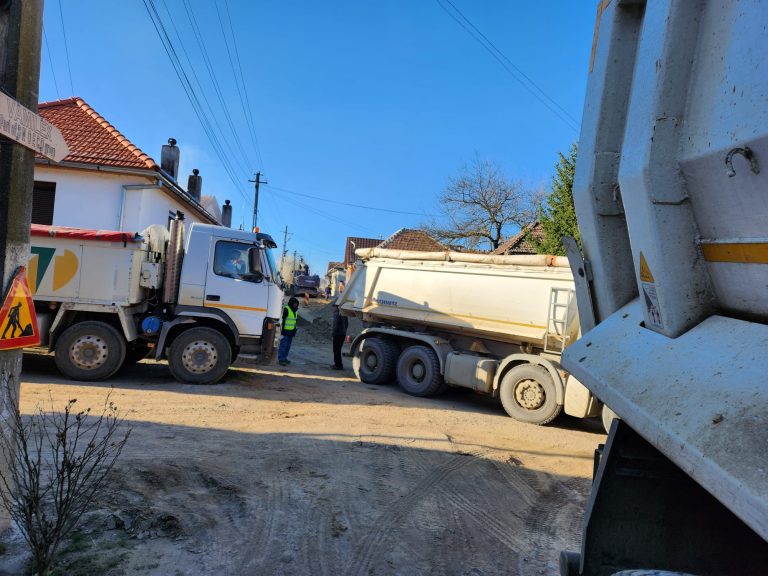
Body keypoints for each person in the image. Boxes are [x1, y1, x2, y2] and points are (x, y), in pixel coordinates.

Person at [278, 297, 300, 366]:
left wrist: (294, 330)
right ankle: (281, 359)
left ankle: (285, 358)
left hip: (291, 332)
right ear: (291, 303)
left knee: (288, 346)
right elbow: (283, 321)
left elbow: (294, 322)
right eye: (294, 304)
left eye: (296, 304)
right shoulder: (286, 309)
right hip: (285, 332)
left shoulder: (295, 311)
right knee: (283, 345)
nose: (295, 305)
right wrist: (282, 331)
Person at [330, 303, 348, 370]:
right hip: (342, 334)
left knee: (336, 350)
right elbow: (347, 324)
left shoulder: (336, 314)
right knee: (338, 350)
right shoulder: (344, 314)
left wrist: (333, 334)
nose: (333, 308)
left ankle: (337, 365)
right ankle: (339, 364)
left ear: (336, 307)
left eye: (333, 307)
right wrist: (344, 331)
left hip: (337, 334)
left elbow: (335, 325)